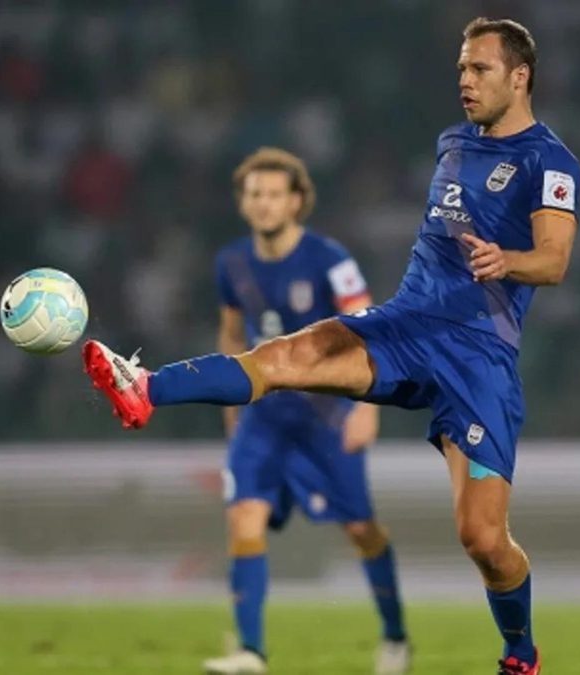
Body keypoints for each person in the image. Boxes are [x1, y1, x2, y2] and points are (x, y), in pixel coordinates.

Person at [82, 17, 580, 675]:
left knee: (483, 540)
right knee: (285, 356)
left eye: (479, 68)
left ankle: (520, 653)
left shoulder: (549, 160)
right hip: (403, 327)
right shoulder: (453, 142)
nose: (464, 79)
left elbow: (554, 260)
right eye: (461, 67)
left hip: (477, 358)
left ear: (520, 76)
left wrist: (506, 261)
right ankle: (145, 388)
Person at [197, 147, 409, 674]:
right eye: (254, 194)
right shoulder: (231, 263)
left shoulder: (330, 260)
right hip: (264, 418)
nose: (263, 203)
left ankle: (395, 637)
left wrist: (368, 407)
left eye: (274, 194)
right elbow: (231, 335)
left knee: (360, 529)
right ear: (243, 203)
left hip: (325, 417)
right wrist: (231, 409)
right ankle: (250, 652)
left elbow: (369, 329)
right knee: (244, 516)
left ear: (296, 202)